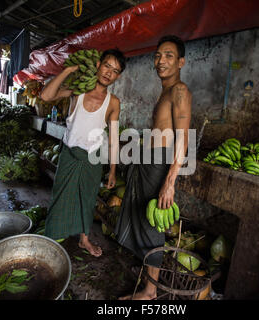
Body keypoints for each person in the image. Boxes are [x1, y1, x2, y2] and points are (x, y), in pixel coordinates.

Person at [116, 35, 192, 299]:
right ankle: (147, 279)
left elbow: (183, 138)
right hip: (149, 162)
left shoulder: (179, 90)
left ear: (181, 61)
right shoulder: (166, 91)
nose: (161, 60)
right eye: (158, 55)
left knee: (152, 226)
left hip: (160, 166)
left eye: (169, 55)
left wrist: (169, 182)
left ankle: (150, 291)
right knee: (144, 219)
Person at [40, 49, 126, 257]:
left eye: (115, 71)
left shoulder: (113, 102)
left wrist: (113, 171)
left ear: (118, 76)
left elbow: (114, 139)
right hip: (70, 155)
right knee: (61, 198)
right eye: (107, 65)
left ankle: (84, 240)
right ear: (98, 65)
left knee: (87, 200)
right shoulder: (78, 89)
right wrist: (68, 70)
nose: (108, 73)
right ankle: (52, 238)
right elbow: (45, 95)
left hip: (93, 160)